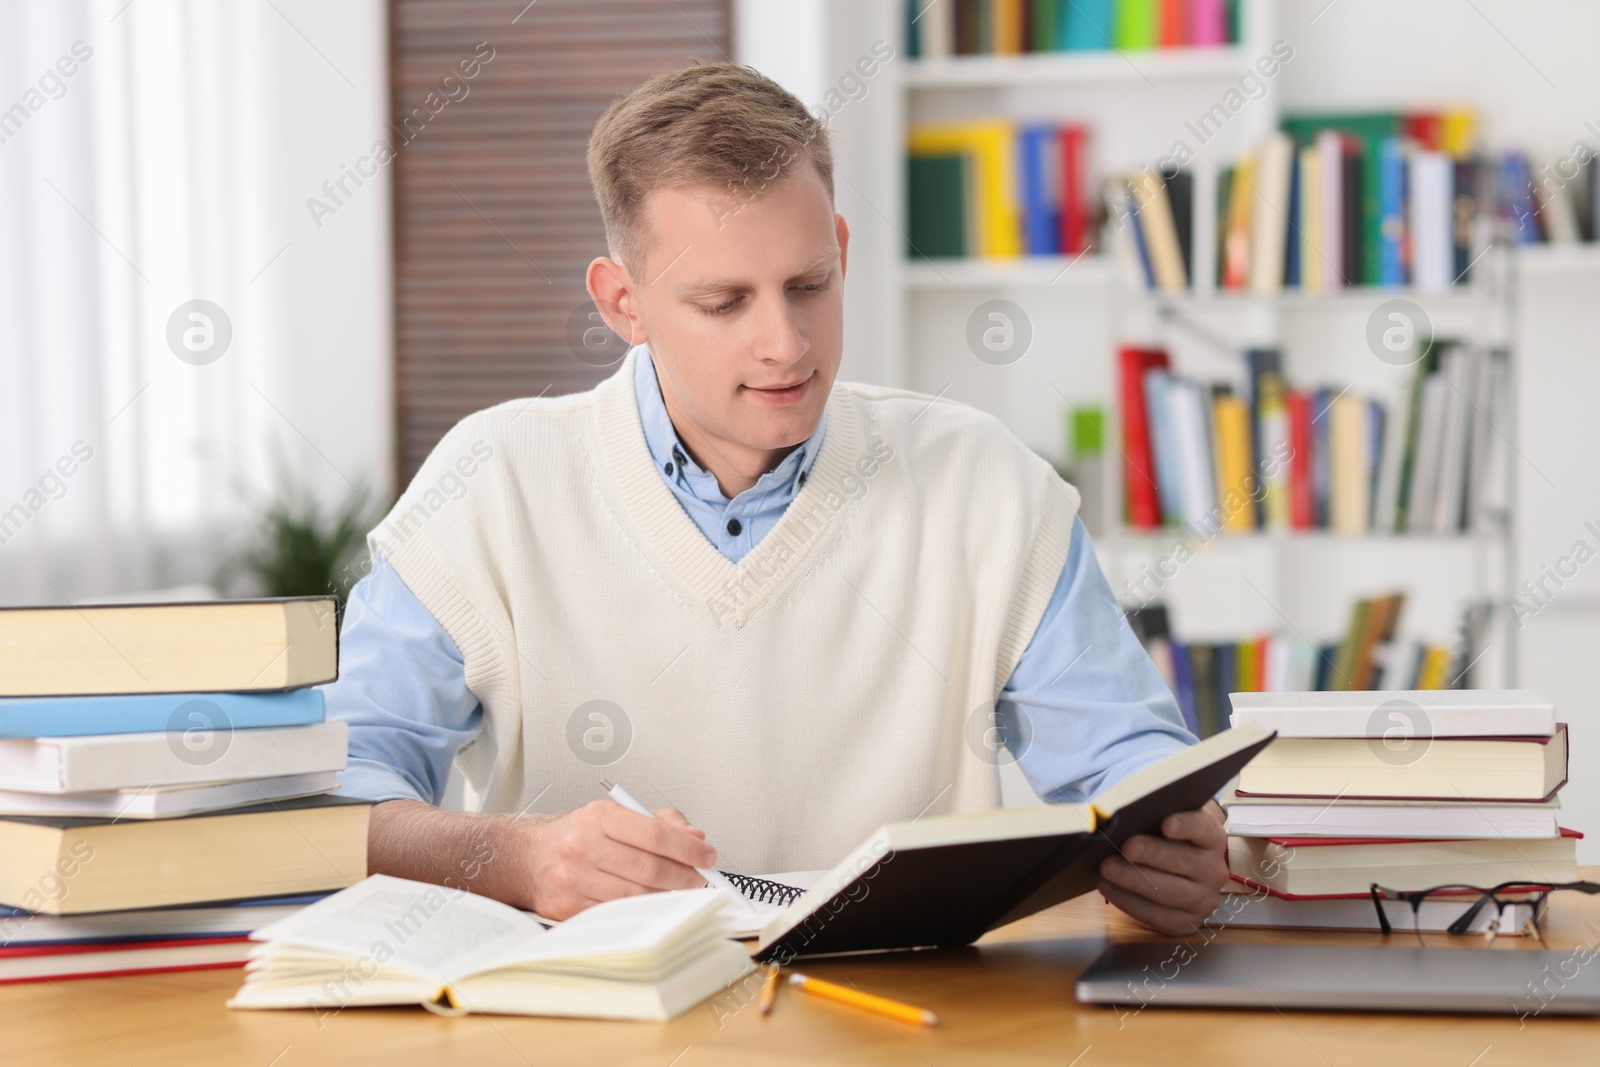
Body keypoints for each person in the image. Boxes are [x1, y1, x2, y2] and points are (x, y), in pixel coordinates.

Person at [325, 62, 1227, 935]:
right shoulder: (491, 481)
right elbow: (336, 796)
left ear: (841, 249)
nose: (786, 344)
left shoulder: (986, 485)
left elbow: (1130, 767)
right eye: (723, 302)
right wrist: (516, 857)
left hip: (912, 1022)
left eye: (808, 285)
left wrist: (1176, 847)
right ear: (622, 303)